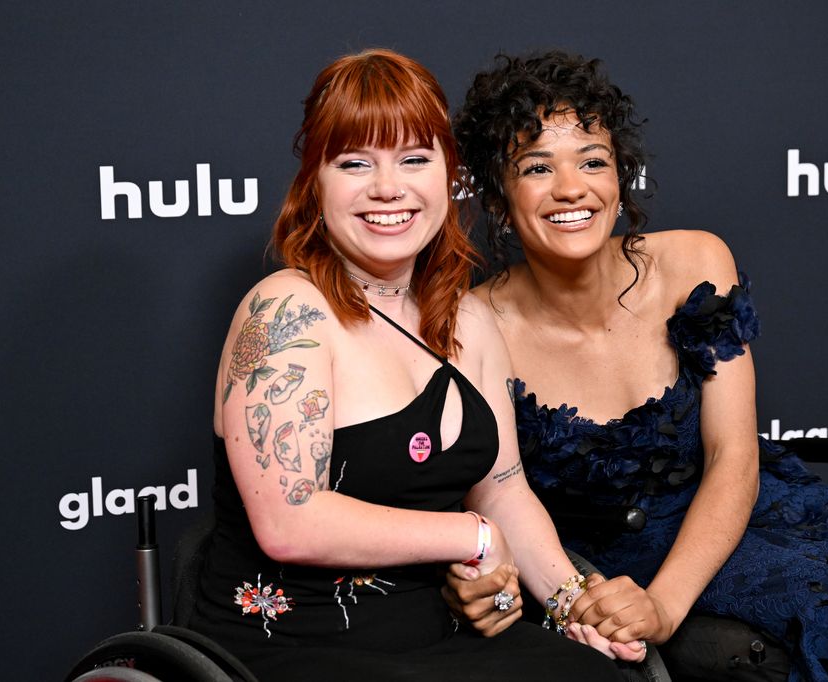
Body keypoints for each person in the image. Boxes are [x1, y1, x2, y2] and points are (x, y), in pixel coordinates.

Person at [451, 50, 828, 681]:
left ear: (619, 174)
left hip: (741, 517)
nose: (571, 188)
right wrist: (582, 598)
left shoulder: (695, 264)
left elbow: (732, 456)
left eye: (592, 161)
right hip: (603, 557)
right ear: (498, 192)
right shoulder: (474, 323)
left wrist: (665, 604)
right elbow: (503, 493)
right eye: (537, 167)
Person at [186, 49, 635, 682]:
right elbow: (290, 522)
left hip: (441, 636)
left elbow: (503, 488)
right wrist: (469, 537)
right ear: (315, 182)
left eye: (414, 160)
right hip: (293, 647)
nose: (388, 188)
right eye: (355, 163)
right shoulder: (286, 311)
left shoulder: (468, 320)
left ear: (447, 175)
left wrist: (572, 605)